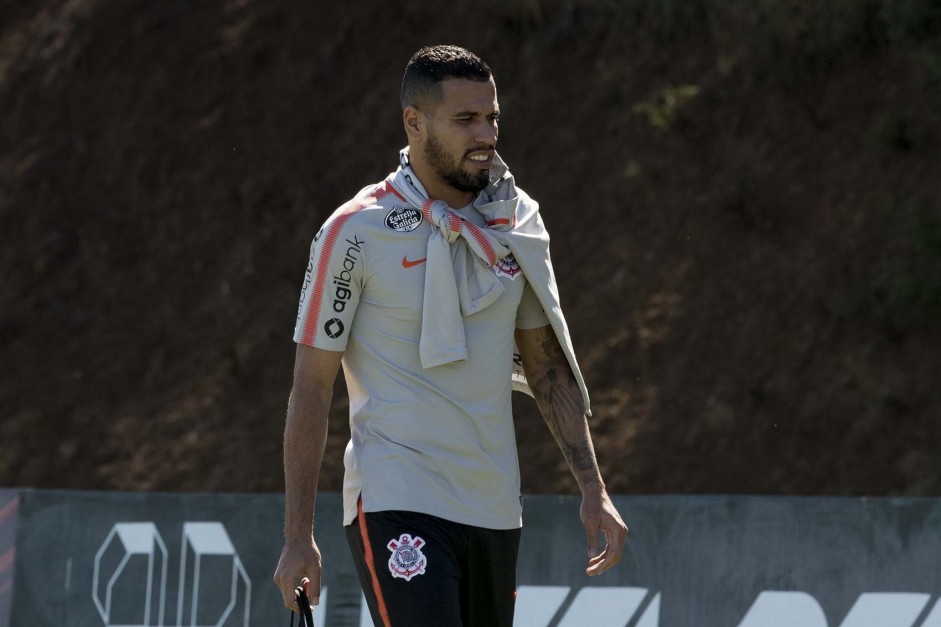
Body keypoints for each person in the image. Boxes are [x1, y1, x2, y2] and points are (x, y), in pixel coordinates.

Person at [273, 44, 627, 627]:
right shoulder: (354, 230)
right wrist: (297, 536)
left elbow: (546, 368)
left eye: (491, 117)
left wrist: (594, 487)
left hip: (493, 507)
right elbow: (311, 387)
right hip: (395, 498)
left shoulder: (517, 222)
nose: (485, 133)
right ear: (414, 122)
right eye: (465, 119)